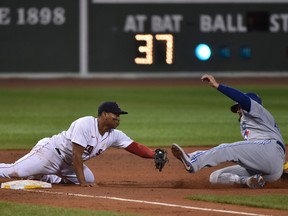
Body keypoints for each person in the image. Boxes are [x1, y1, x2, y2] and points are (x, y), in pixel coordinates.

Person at [0, 101, 166, 187]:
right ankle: (39, 170)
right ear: (104, 114)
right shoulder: (85, 123)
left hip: (69, 165)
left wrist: (153, 154)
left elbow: (134, 147)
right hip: (51, 153)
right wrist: (82, 183)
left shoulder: (113, 135)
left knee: (89, 178)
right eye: (115, 115)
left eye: (119, 115)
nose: (118, 118)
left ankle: (43, 175)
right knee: (15, 171)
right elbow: (76, 154)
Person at [171, 74, 286, 189]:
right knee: (216, 176)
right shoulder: (254, 122)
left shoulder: (258, 110)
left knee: (227, 149)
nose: (238, 110)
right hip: (270, 168)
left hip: (269, 152)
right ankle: (248, 181)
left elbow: (242, 98)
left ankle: (194, 160)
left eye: (239, 107)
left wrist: (218, 86)